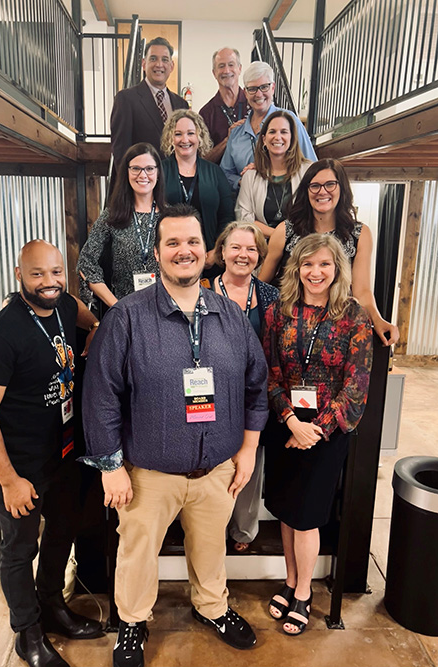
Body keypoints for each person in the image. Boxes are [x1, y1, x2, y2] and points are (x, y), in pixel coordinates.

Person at [81, 204, 269, 667]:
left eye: (192, 242)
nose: (183, 251)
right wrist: (109, 468)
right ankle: (131, 622)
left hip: (217, 472)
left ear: (207, 253)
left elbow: (256, 387)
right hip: (148, 473)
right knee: (138, 551)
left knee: (211, 548)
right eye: (172, 243)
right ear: (157, 253)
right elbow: (101, 396)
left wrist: (246, 452)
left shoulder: (231, 317)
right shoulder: (126, 318)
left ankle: (213, 608)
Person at [0, 240, 102, 667]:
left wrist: (95, 330)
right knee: (20, 548)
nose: (49, 282)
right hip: (16, 466)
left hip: (60, 455)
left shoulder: (63, 306)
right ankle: (27, 631)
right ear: (19, 274)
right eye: (38, 274)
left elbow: (85, 313)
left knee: (64, 529)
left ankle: (52, 607)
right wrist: (9, 480)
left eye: (56, 272)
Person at [262, 233, 373, 635]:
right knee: (288, 510)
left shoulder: (353, 315)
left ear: (337, 268)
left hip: (327, 431)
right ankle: (290, 582)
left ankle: (305, 593)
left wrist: (317, 429)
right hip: (285, 426)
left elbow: (357, 384)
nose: (316, 272)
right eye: (308, 264)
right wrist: (291, 421)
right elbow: (269, 371)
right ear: (297, 268)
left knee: (307, 515)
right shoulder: (278, 312)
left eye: (325, 264)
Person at [259, 157, 400, 345]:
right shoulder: (285, 230)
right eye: (315, 186)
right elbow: (261, 283)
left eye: (330, 184)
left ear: (342, 188)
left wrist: (378, 319)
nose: (322, 191)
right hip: (288, 327)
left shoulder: (359, 234)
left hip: (333, 329)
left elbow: (362, 290)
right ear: (306, 191)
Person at [212, 221, 278, 552]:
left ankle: (243, 530)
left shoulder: (270, 296)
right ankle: (210, 526)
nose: (243, 254)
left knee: (252, 462)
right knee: (211, 464)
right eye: (235, 247)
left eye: (251, 249)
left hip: (255, 394)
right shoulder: (201, 290)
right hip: (211, 394)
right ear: (221, 251)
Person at [77, 142, 165, 309]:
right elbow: (86, 262)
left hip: (164, 311)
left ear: (158, 173)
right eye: (136, 168)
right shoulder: (112, 216)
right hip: (125, 311)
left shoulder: (170, 217)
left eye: (149, 168)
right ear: (126, 172)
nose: (143, 174)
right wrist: (116, 306)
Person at [220, 61, 316, 193]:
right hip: (246, 207)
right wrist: (244, 181)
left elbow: (312, 168)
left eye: (264, 87)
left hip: (287, 206)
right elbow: (224, 173)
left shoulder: (291, 121)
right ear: (245, 92)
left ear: (273, 88)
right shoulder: (236, 133)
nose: (258, 94)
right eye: (252, 89)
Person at [160, 109, 233, 276]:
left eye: (190, 133)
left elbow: (227, 216)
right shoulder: (160, 172)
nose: (185, 140)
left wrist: (216, 251)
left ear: (199, 137)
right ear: (170, 138)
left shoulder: (215, 173)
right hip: (171, 259)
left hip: (209, 260)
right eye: (178, 134)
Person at [110, 37, 188, 171]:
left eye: (164, 59)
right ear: (143, 63)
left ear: (171, 66)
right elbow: (121, 151)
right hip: (142, 182)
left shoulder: (182, 105)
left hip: (175, 184)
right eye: (153, 59)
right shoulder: (126, 99)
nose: (159, 64)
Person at [236, 110, 312, 238]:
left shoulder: (308, 171)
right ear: (264, 139)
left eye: (283, 132)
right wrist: (278, 236)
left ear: (292, 138)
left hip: (301, 245)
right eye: (272, 132)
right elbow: (243, 217)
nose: (278, 137)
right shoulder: (250, 176)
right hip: (263, 246)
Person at [199, 47, 250, 164]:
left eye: (231, 65)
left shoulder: (253, 105)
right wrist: (227, 140)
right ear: (214, 73)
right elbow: (203, 159)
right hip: (218, 179)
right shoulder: (206, 113)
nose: (227, 71)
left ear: (239, 68)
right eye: (221, 66)